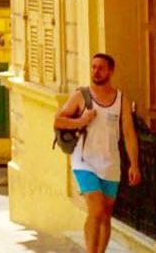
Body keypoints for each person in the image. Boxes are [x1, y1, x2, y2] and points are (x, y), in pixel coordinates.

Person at [54, 53, 140, 253]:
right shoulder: (81, 96)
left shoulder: (120, 99)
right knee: (97, 209)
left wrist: (134, 164)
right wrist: (81, 121)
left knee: (106, 213)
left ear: (110, 71)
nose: (96, 71)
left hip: (110, 163)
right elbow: (58, 120)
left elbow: (129, 133)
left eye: (101, 68)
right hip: (84, 161)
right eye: (93, 67)